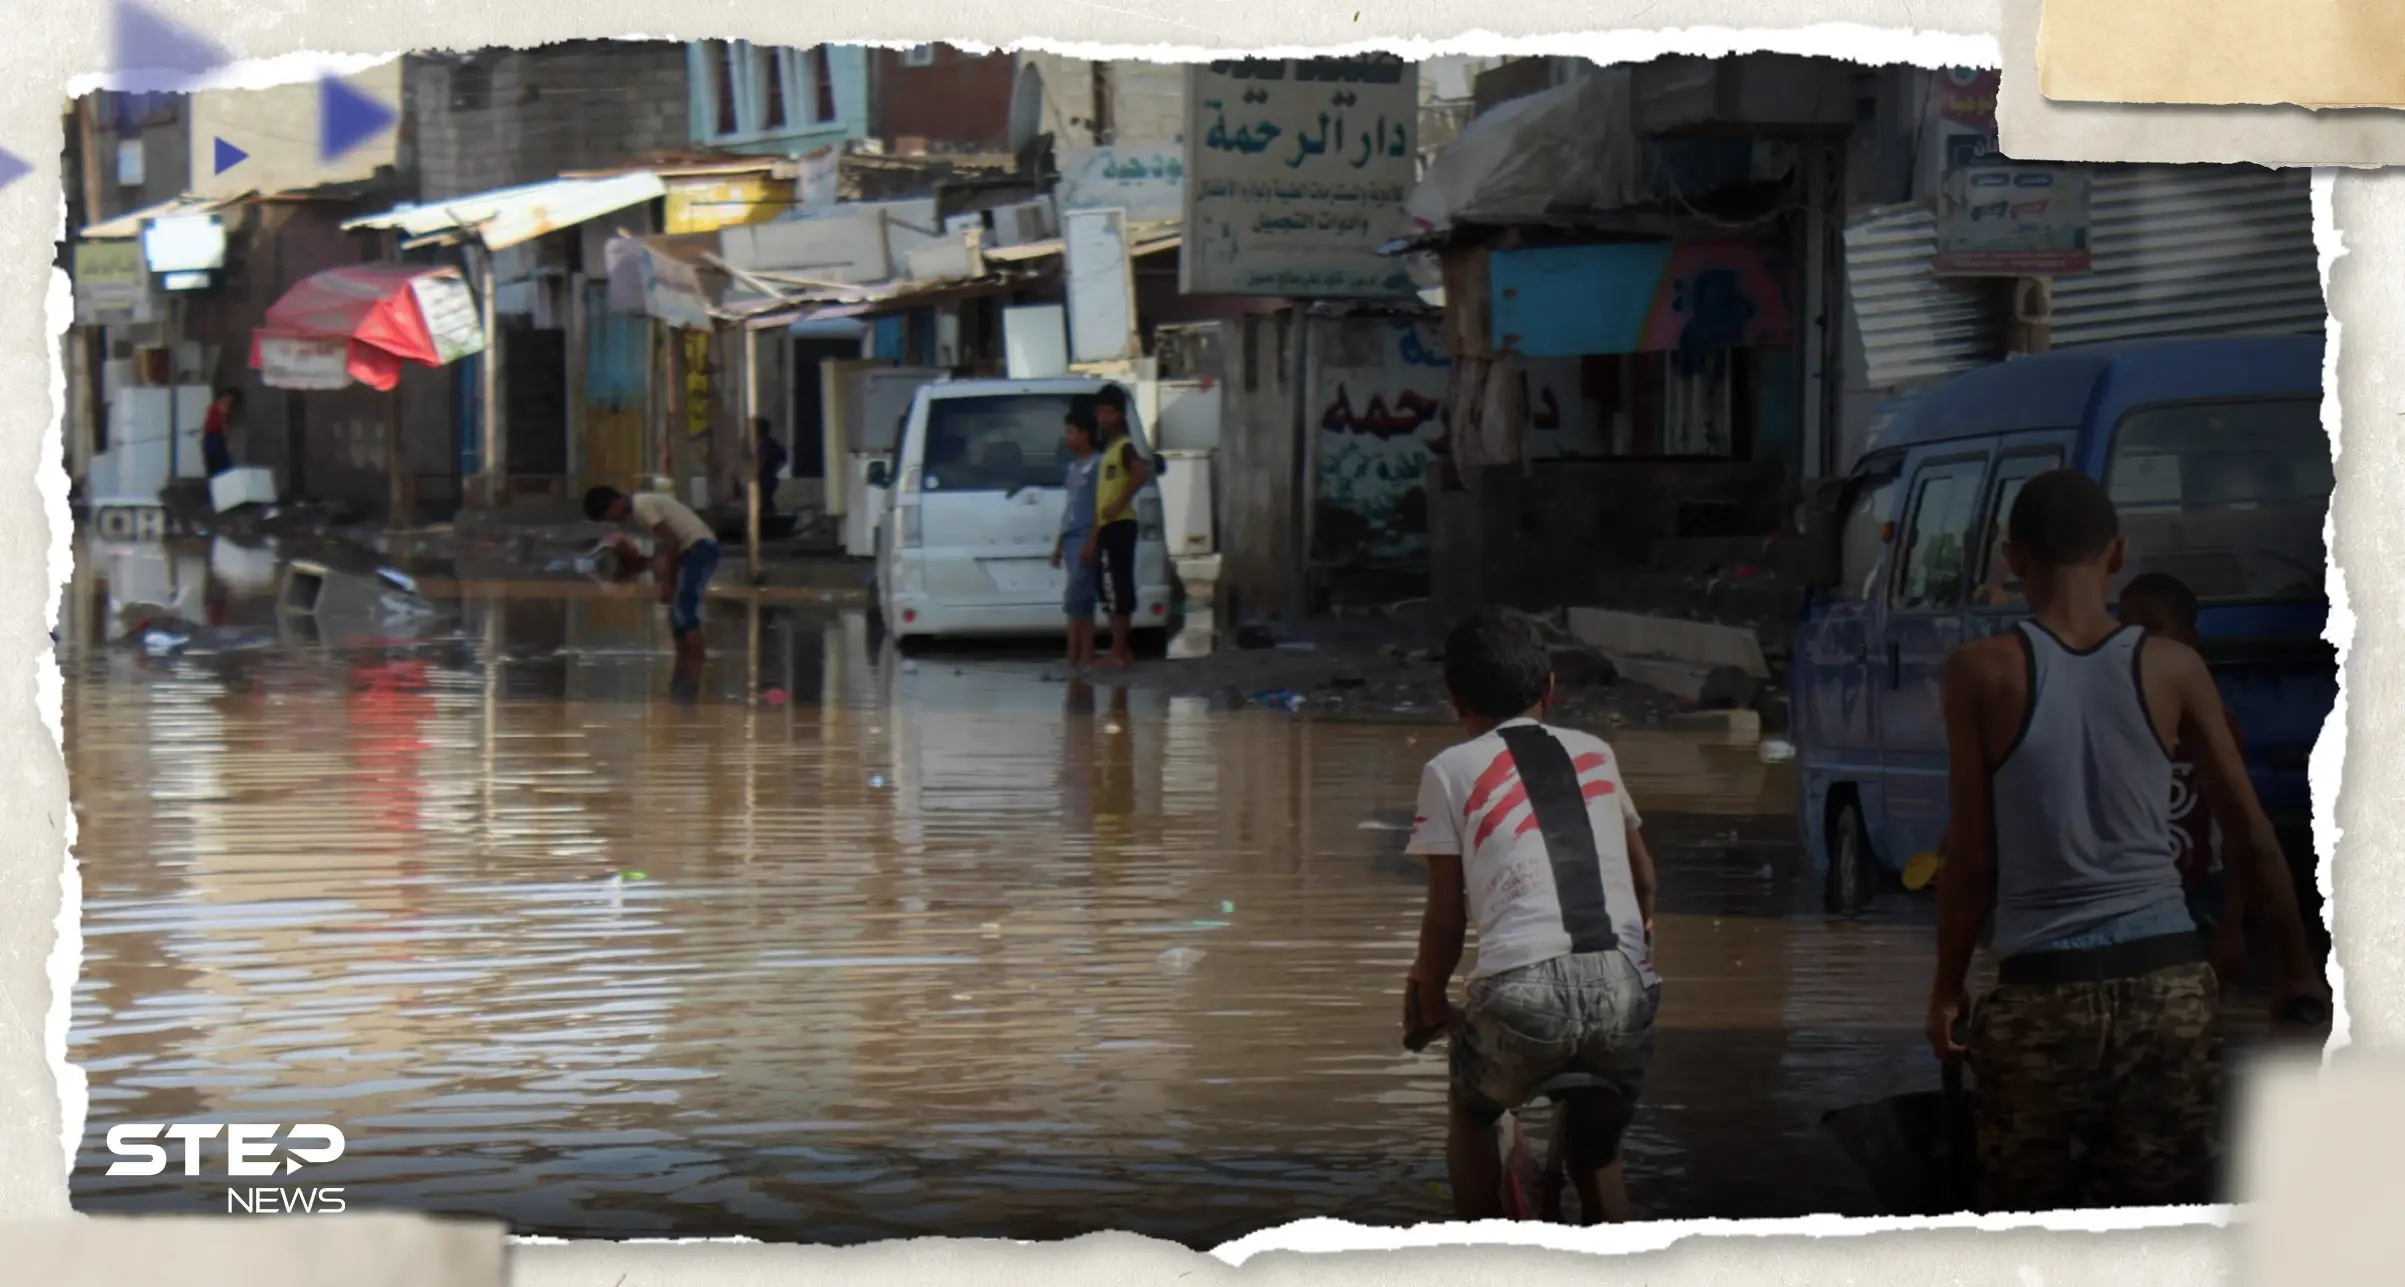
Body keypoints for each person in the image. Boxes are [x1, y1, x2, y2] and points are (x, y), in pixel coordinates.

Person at [1925, 469, 2325, 1214]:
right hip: (2168, 988)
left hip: (2041, 992)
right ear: (2117, 553)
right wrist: (2296, 972)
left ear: (2013, 558)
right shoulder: (2174, 667)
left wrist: (1947, 987)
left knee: (2028, 1227)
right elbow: (2249, 834)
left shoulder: (1978, 671)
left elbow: (1972, 859)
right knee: (2162, 1218)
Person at [1402, 607, 1661, 1225]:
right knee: (1599, 1154)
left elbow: (1446, 917)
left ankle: (1485, 1253)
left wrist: (1429, 1002)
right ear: (1550, 687)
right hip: (1624, 987)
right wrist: (1639, 951)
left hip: (1522, 996)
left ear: (1455, 700)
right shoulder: (1597, 752)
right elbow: (1645, 878)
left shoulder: (1448, 770)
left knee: (1474, 1110)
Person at [2117, 572, 2249, 980]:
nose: (2135, 641)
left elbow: (2239, 829)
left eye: (2152, 628)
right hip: (2126, 898)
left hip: (2200, 896)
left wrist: (2232, 922)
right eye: (2124, 628)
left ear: (2188, 641)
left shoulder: (2211, 726)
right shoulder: (2106, 718)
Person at [585, 485, 721, 664]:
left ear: (614, 503)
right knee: (676, 614)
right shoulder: (638, 510)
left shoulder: (642, 506)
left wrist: (668, 583)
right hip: (692, 549)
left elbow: (672, 542)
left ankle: (695, 659)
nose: (612, 521)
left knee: (685, 608)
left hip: (699, 547)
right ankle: (684, 661)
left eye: (607, 516)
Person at [1081, 384, 1147, 670]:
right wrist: (1093, 537)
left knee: (1116, 588)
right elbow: (1101, 502)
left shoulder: (1124, 446)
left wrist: (1120, 503)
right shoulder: (1107, 450)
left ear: (1119, 415)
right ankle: (1120, 650)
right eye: (1099, 412)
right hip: (1107, 529)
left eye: (1107, 412)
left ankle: (1118, 653)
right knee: (1106, 588)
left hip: (1120, 526)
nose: (1102, 418)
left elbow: (1141, 473)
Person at [1050, 404, 1103, 672]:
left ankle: (1081, 655)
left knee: (1079, 597)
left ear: (1085, 434)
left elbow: (1100, 507)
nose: (1067, 437)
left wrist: (1092, 540)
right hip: (1071, 538)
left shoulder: (1097, 466)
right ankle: (1077, 656)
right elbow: (1069, 507)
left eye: (1071, 432)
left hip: (1085, 537)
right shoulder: (1074, 468)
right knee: (1077, 598)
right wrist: (1058, 545)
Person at [753, 418, 788, 522]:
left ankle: (770, 522)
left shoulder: (765, 444)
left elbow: (763, 460)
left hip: (765, 479)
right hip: (771, 478)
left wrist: (756, 474)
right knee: (766, 501)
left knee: (763, 502)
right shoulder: (773, 443)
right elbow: (783, 459)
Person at [202, 388, 241, 478]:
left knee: (214, 467)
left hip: (210, 438)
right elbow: (223, 425)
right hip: (216, 438)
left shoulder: (214, 406)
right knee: (223, 466)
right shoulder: (222, 407)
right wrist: (228, 441)